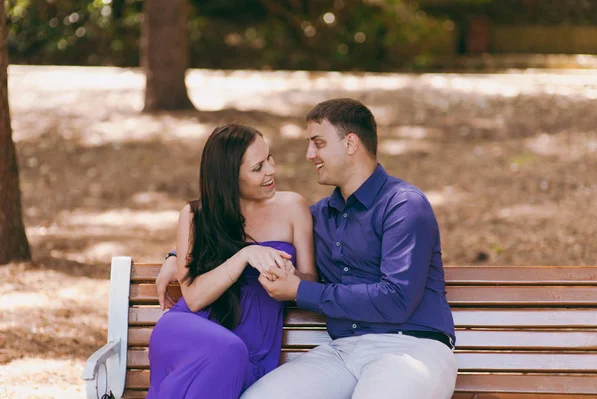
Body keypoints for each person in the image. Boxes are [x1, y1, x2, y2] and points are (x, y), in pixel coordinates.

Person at [159, 98, 457, 399]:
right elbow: (250, 231)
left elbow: (397, 299)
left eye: (318, 143)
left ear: (350, 143)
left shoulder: (404, 205)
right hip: (342, 352)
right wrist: (176, 256)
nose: (309, 154)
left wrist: (299, 290)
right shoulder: (320, 216)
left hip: (411, 346)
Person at [147, 124, 318, 399]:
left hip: (251, 350)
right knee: (227, 350)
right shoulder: (195, 216)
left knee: (231, 352)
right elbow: (194, 299)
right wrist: (244, 256)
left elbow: (310, 279)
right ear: (229, 177)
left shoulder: (292, 207)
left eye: (269, 158)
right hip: (188, 331)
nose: (271, 170)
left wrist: (291, 276)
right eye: (257, 167)